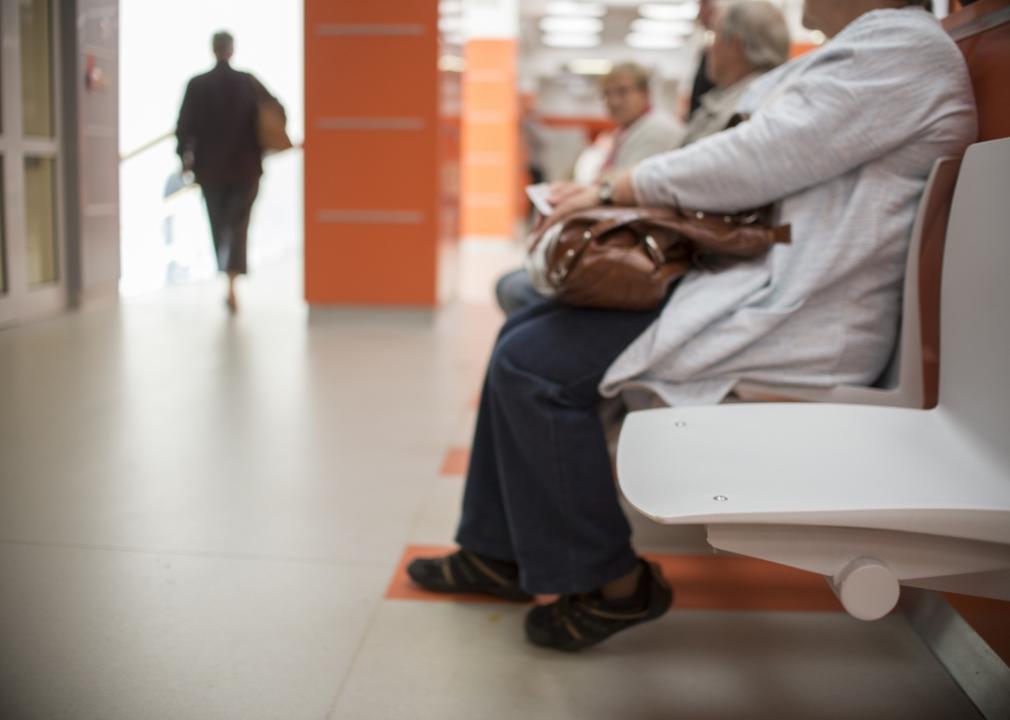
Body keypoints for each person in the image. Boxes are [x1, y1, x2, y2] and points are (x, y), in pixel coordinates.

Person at [408, 0, 975, 652]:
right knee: (524, 334)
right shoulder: (880, 48)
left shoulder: (901, 53)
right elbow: (761, 151)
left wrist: (617, 188)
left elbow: (759, 157)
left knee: (531, 363)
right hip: (761, 285)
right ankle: (493, 550)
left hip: (793, 313)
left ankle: (613, 584)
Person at [498, 2, 790, 316]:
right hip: (683, 250)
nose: (709, 49)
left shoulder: (750, 109)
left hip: (692, 261)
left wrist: (601, 194)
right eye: (608, 94)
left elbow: (689, 181)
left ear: (735, 44)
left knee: (520, 311)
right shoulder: (729, 103)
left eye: (713, 37)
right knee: (522, 292)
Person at [496, 63, 682, 314]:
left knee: (515, 290)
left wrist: (582, 196)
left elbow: (625, 189)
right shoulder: (625, 132)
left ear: (644, 93)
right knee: (511, 285)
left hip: (632, 252)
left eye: (623, 92)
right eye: (607, 94)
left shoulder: (658, 130)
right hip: (616, 242)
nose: (614, 101)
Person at [176, 31, 285, 313]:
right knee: (238, 225)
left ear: (213, 50)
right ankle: (231, 283)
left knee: (220, 223)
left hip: (211, 170)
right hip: (245, 168)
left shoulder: (197, 85)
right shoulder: (247, 82)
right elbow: (278, 110)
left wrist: (184, 160)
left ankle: (229, 280)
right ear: (231, 50)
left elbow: (183, 128)